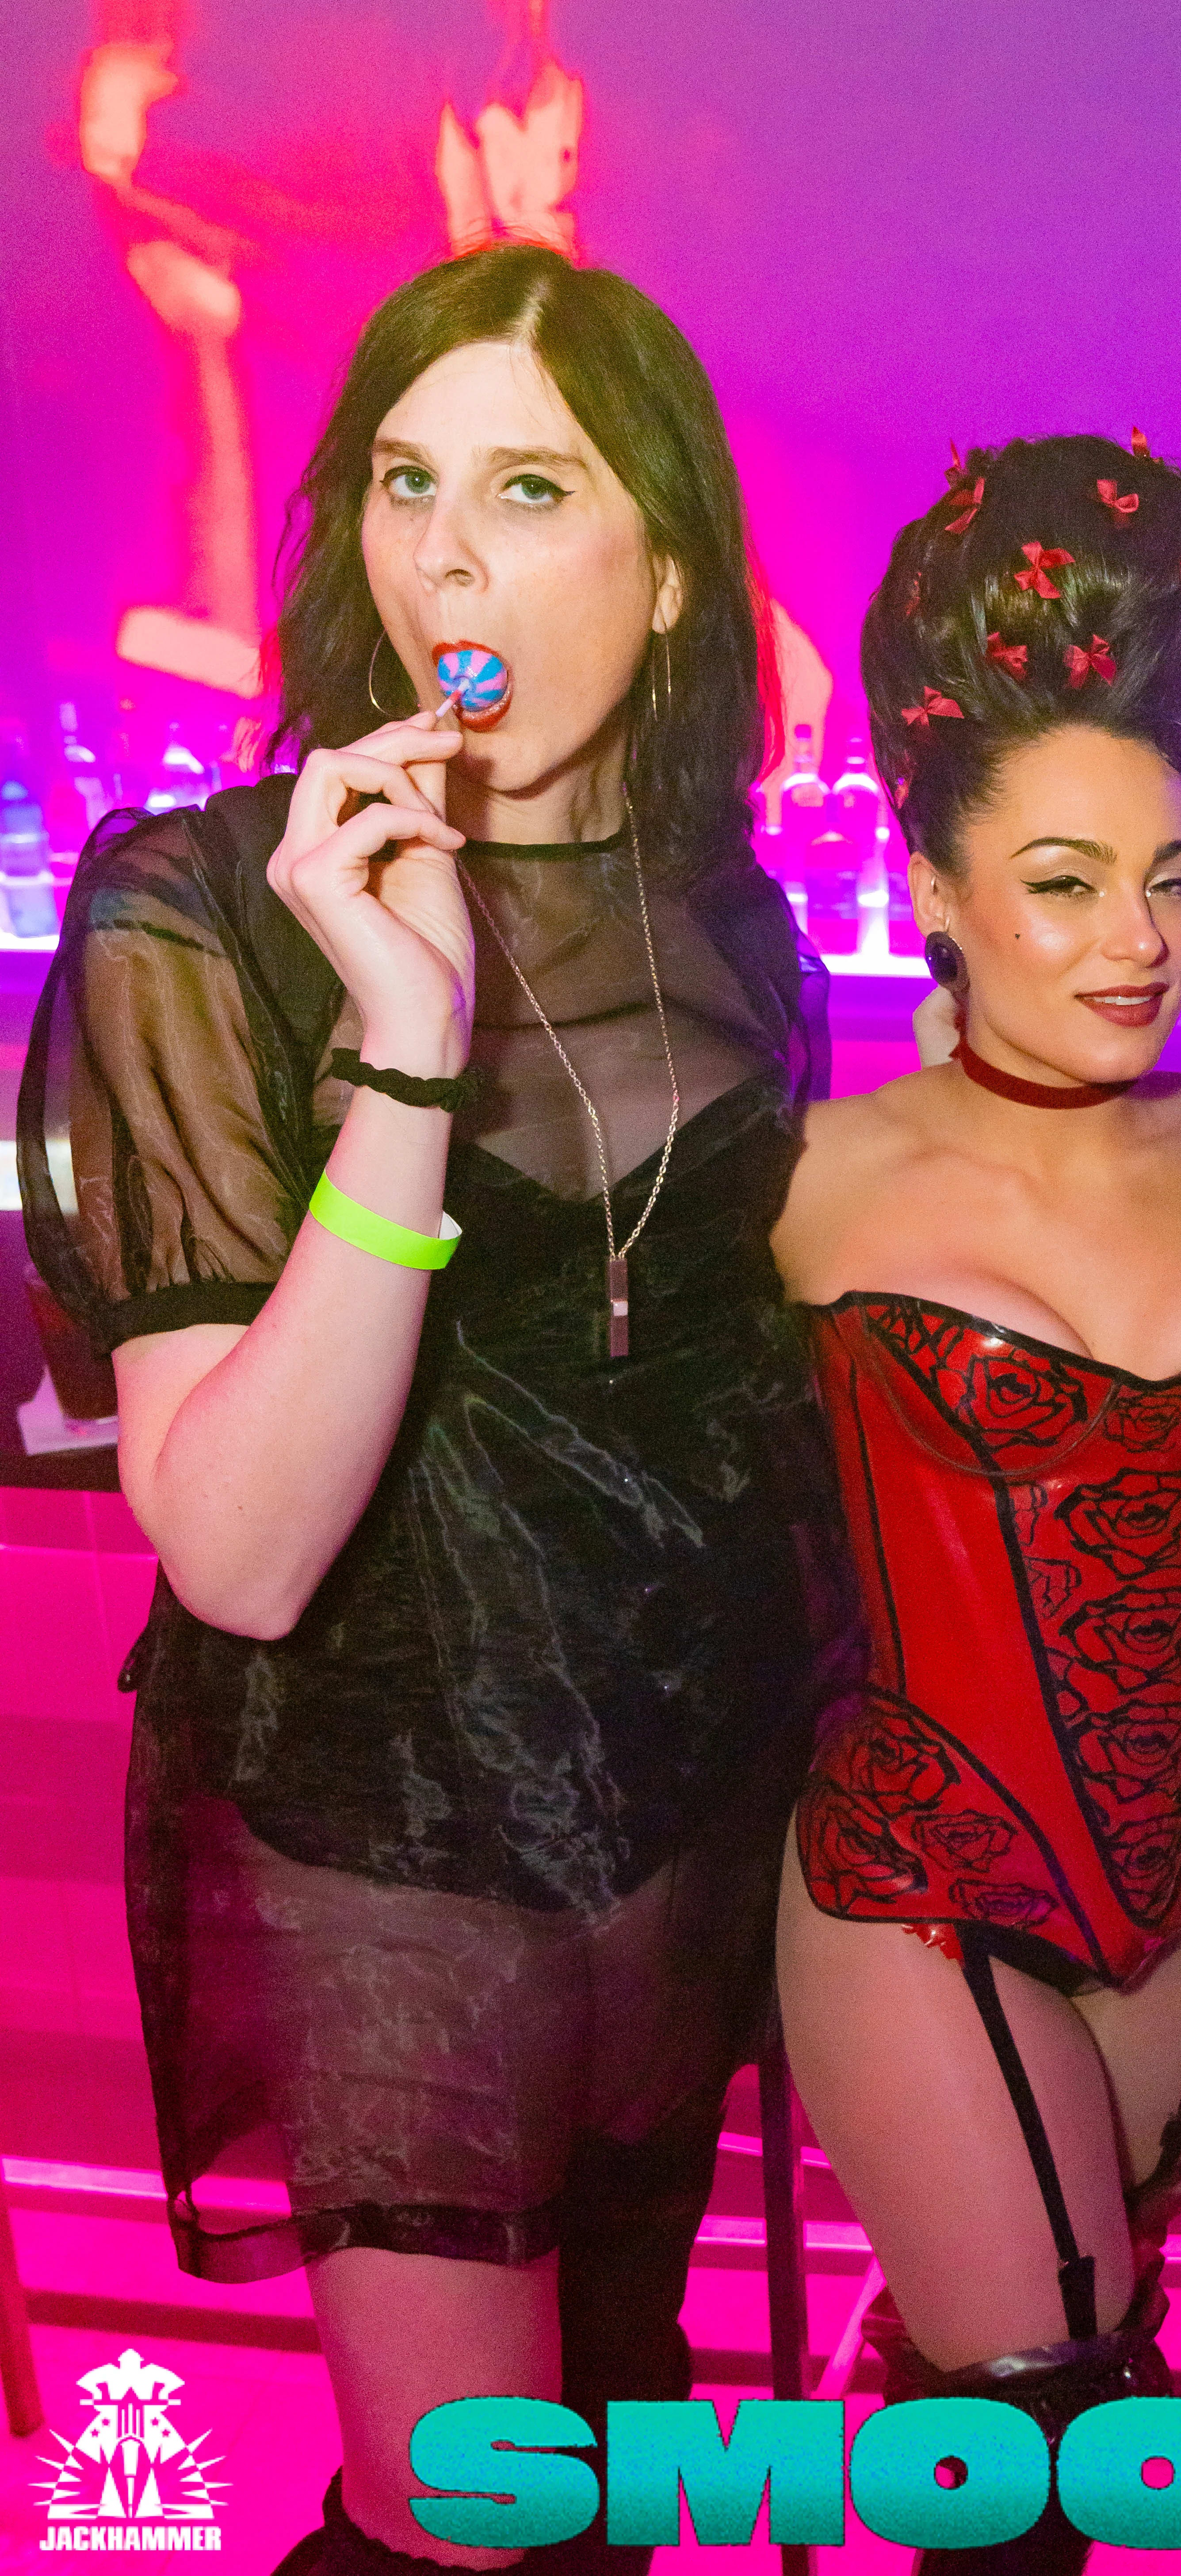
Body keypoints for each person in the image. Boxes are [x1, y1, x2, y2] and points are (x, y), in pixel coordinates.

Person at [18, 243, 853, 2576]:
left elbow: (727, 1401)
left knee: (614, 2436)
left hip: (687, 1809)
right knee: (461, 2513)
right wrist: (402, 1044)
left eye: (528, 488)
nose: (447, 559)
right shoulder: (198, 905)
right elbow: (241, 1545)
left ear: (667, 575)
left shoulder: (736, 925)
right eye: (406, 482)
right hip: (395, 1823)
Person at [772, 433, 1181, 2572]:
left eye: (1173, 877)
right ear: (933, 885)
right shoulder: (802, 1185)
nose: (1137, 939)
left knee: (1087, 2347)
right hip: (913, 1878)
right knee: (1043, 2416)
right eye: (1067, 882)